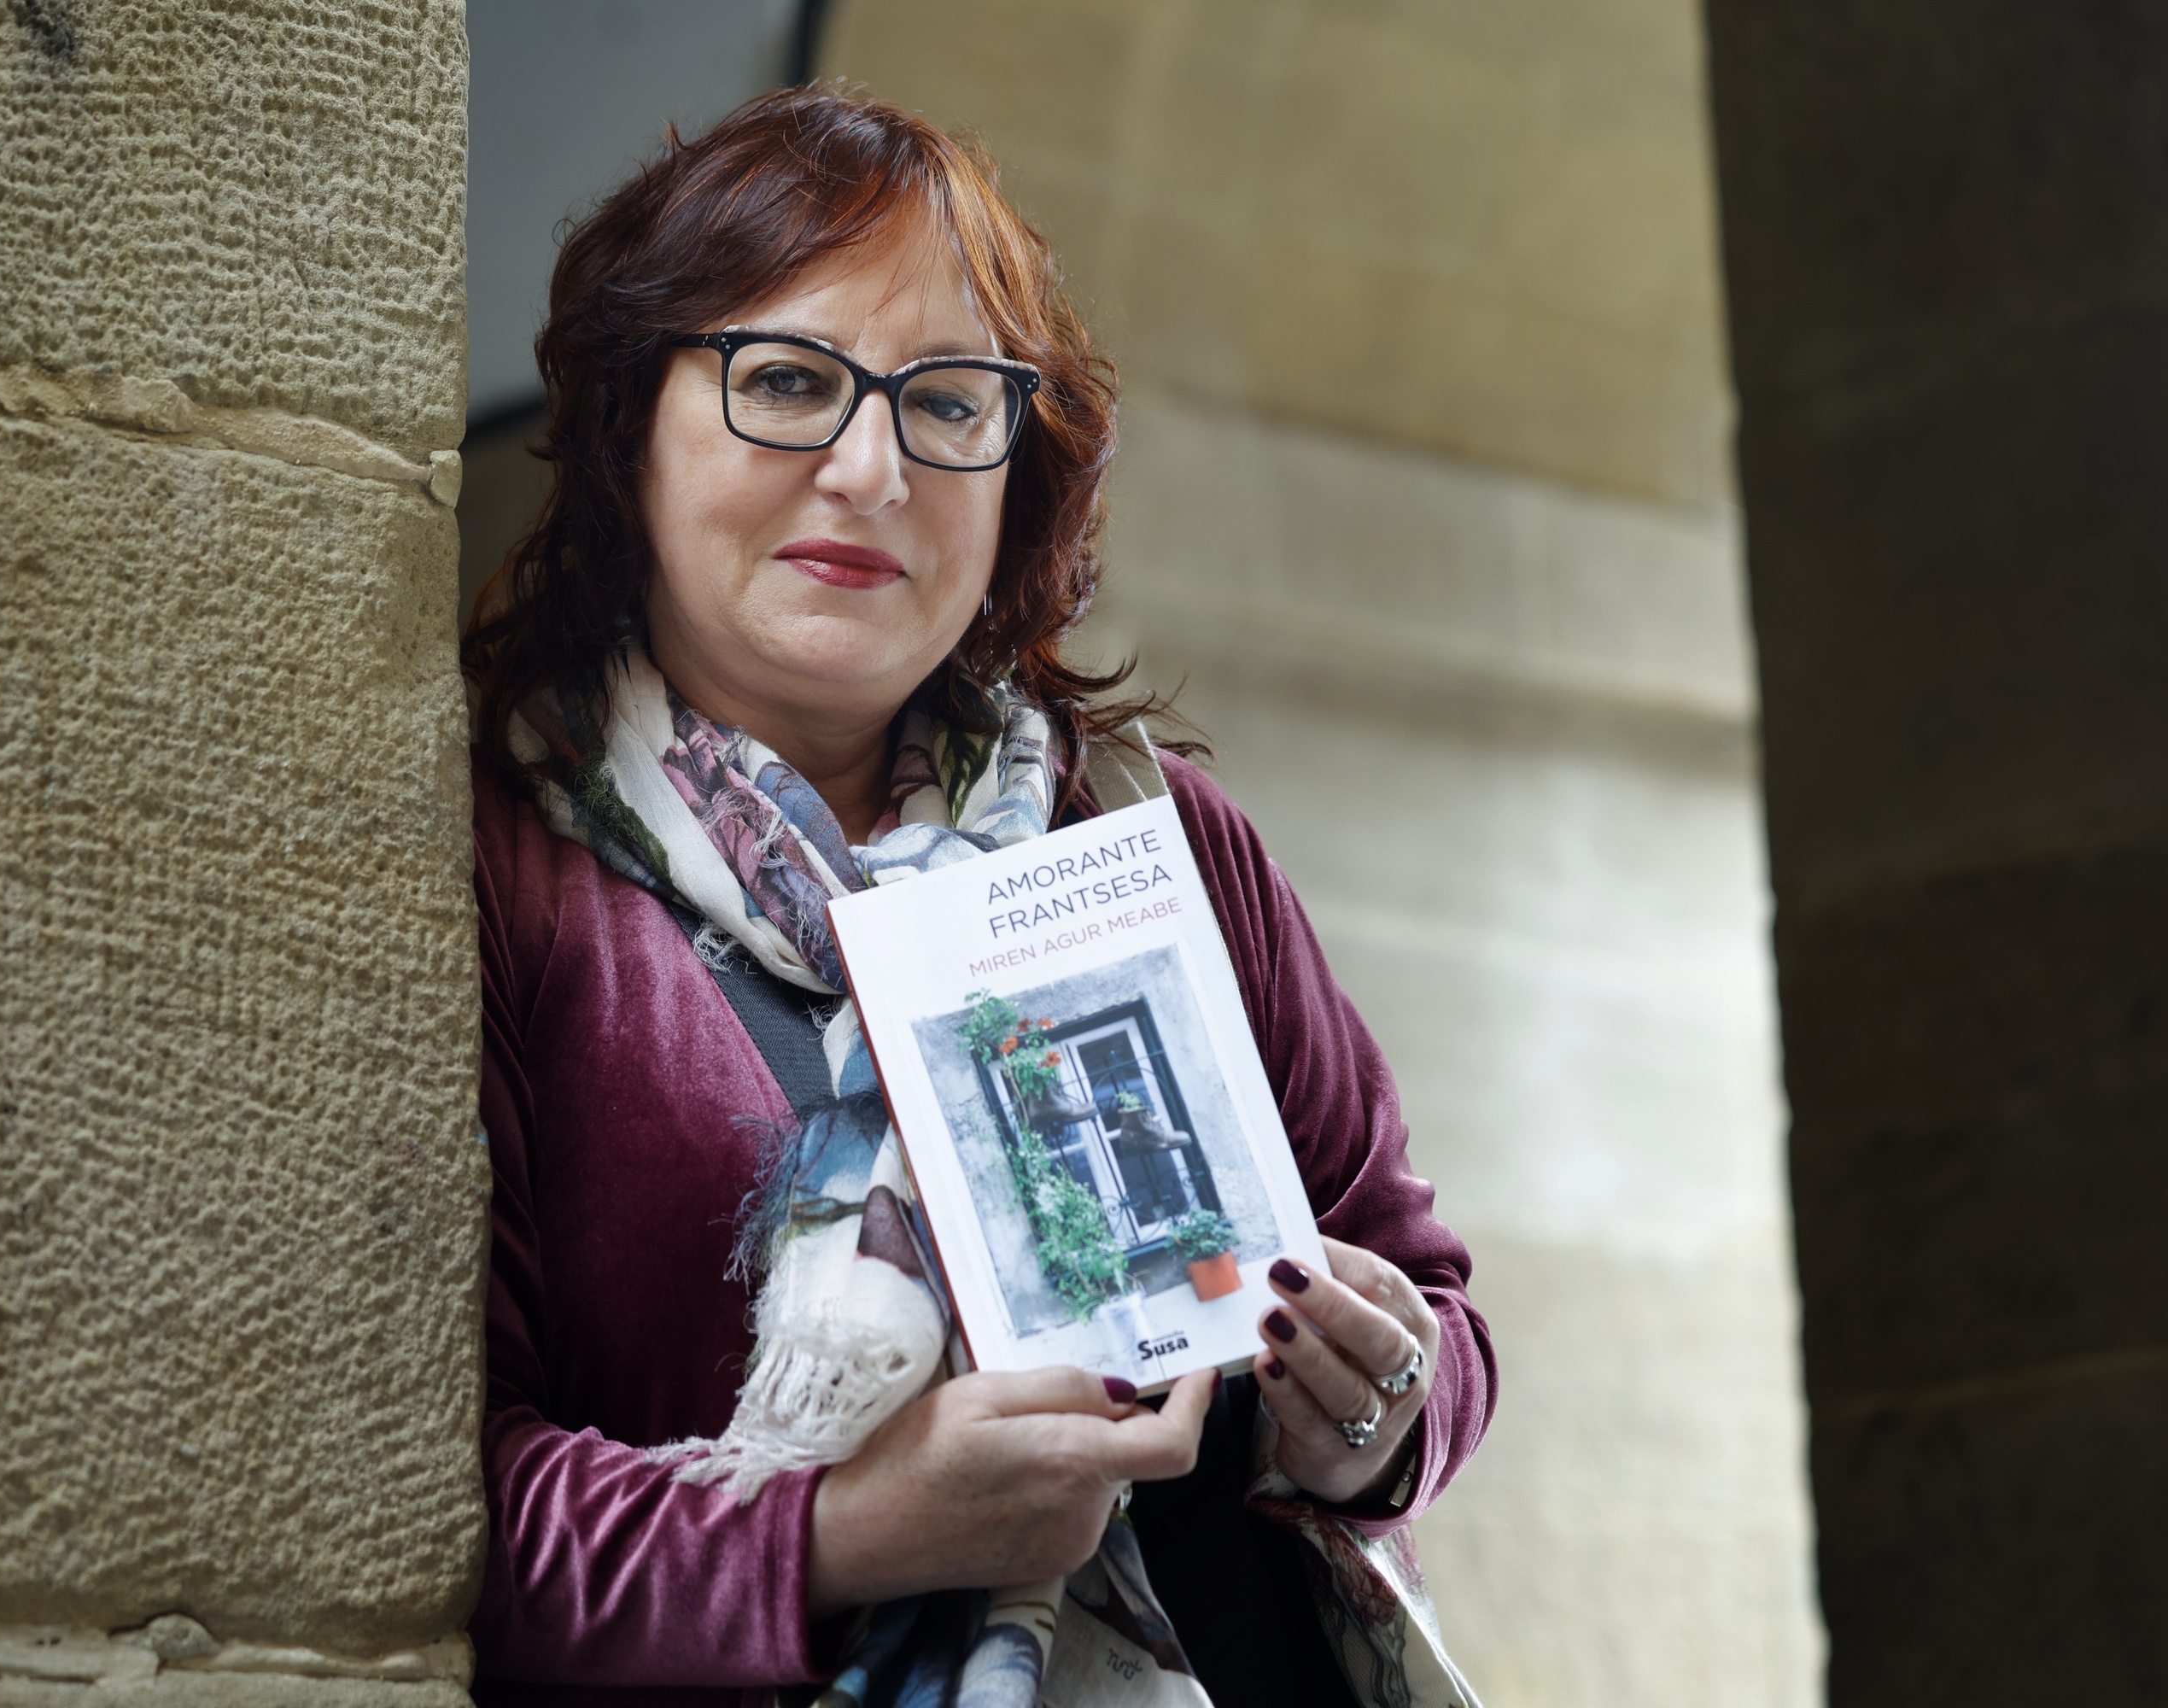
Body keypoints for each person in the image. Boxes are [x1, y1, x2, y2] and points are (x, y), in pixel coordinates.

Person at [463, 87, 1494, 1708]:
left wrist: (1378, 1419)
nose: (870, 468)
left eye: (949, 402)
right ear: (622, 426)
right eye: (786, 381)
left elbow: (1423, 1295)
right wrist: (839, 1534)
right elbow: (423, 1510)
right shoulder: (493, 874)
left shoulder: (1155, 829)